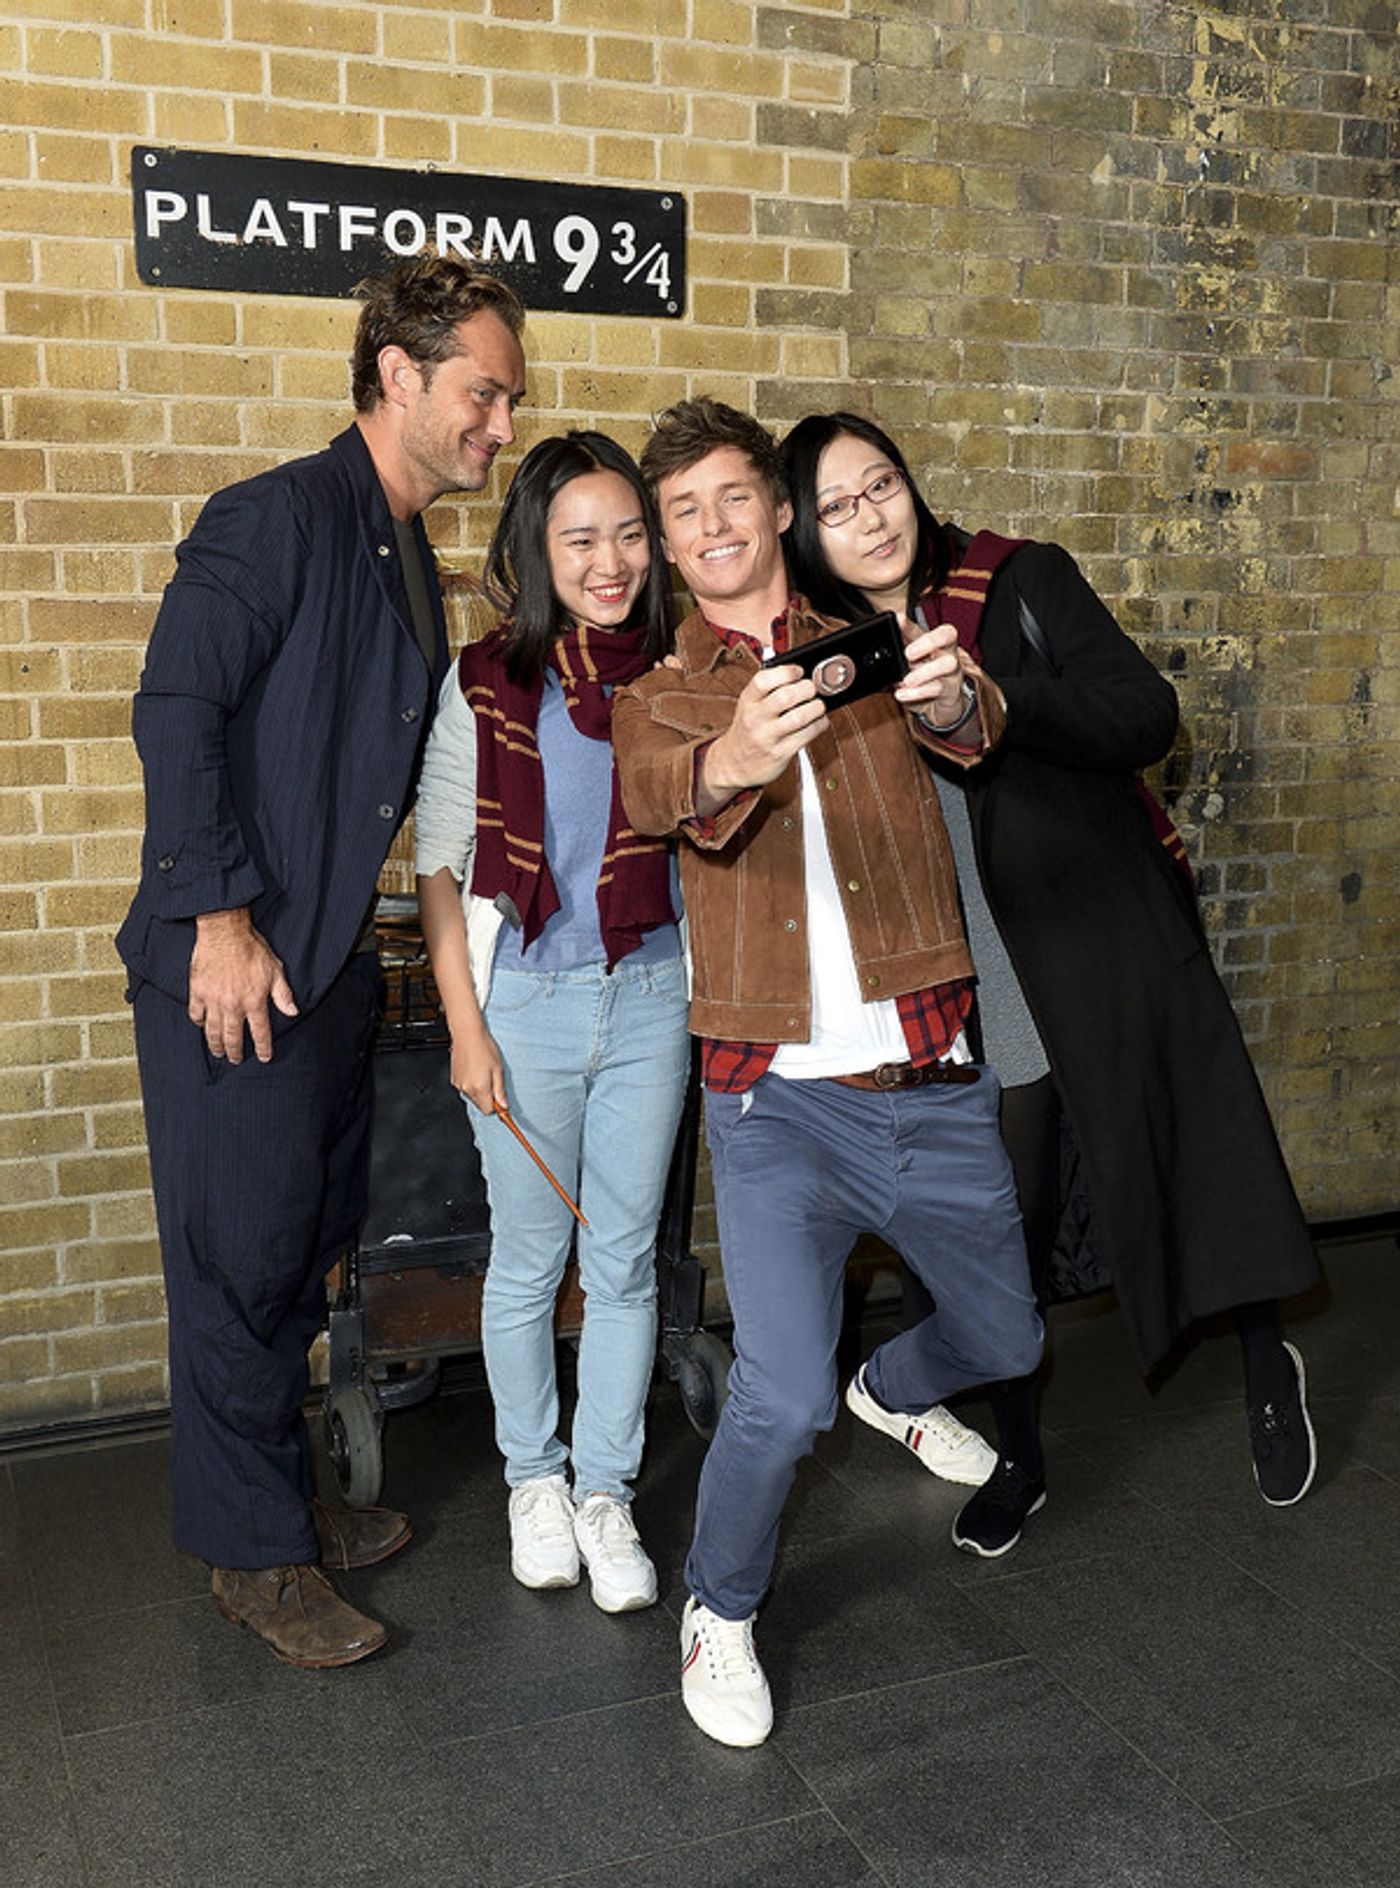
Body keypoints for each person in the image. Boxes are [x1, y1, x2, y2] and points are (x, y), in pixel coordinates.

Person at [780, 409, 1321, 1558]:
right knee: (999, 1219)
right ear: (807, 535)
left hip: (1093, 925)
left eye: (881, 483)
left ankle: (1265, 1355)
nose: (869, 514)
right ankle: (1021, 1450)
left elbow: (1143, 713)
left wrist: (1004, 701)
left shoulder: (1015, 579)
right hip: (964, 973)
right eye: (837, 505)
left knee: (1191, 1146)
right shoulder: (820, 655)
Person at [610, 398, 1043, 1748]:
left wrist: (957, 690)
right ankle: (719, 1606)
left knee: (1010, 1340)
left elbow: (975, 729)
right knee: (782, 1393)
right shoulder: (660, 695)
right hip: (775, 1106)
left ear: (779, 511)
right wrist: (737, 751)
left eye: (736, 498)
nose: (716, 527)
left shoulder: (866, 633)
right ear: (671, 545)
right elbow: (660, 794)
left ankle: (897, 1392)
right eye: (685, 512)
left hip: (929, 1071)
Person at [117, 252, 528, 1668]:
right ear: (398, 375)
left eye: (511, 402)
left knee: (300, 1251)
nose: (501, 428)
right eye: (484, 396)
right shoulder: (276, 517)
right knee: (236, 1265)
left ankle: (278, 1496)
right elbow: (175, 709)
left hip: (329, 969)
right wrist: (218, 920)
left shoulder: (405, 546)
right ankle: (254, 1556)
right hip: (230, 964)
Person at [416, 432, 689, 1615]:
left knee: (623, 1263)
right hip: (521, 1003)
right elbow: (438, 867)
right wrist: (463, 1027)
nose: (610, 559)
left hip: (653, 996)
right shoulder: (485, 681)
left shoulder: (683, 673)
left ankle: (604, 1492)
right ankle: (533, 1478)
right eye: (580, 537)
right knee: (529, 1262)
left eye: (629, 532)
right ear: (534, 548)